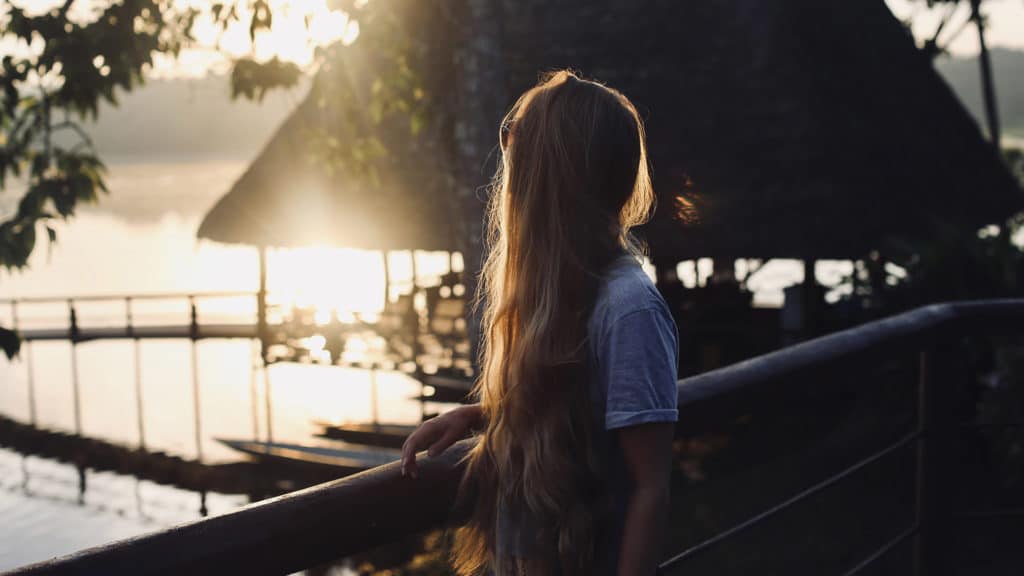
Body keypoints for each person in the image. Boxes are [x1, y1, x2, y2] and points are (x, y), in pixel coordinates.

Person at [400, 70, 679, 576]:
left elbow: (650, 487)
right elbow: (578, 405)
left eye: (517, 138)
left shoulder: (629, 309)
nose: (505, 149)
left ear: (549, 174)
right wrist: (479, 416)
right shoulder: (560, 294)